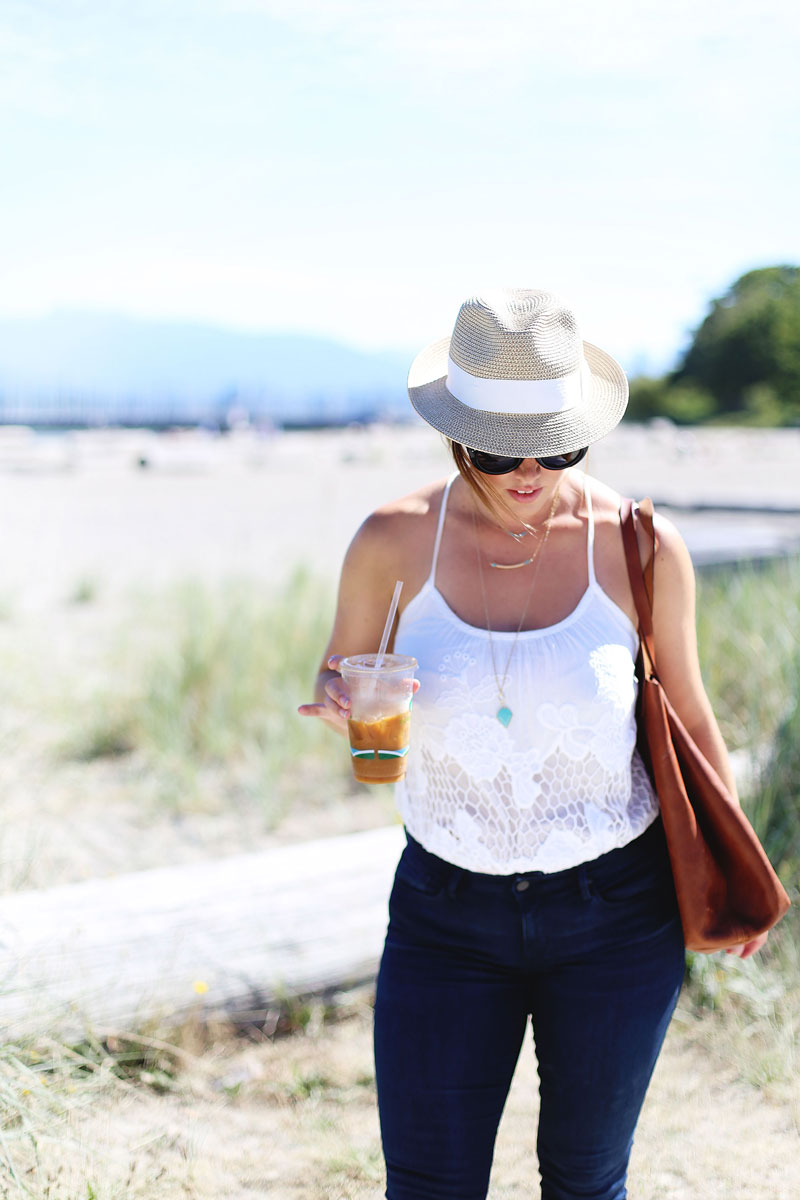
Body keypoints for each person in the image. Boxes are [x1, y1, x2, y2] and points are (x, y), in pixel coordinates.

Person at [299, 289, 767, 1200]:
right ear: (452, 432)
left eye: (557, 445)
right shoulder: (390, 541)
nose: (527, 470)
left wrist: (734, 869)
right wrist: (346, 711)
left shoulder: (642, 546)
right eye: (495, 448)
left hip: (619, 916)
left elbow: (695, 718)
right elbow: (358, 720)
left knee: (587, 1184)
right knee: (429, 1187)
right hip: (444, 912)